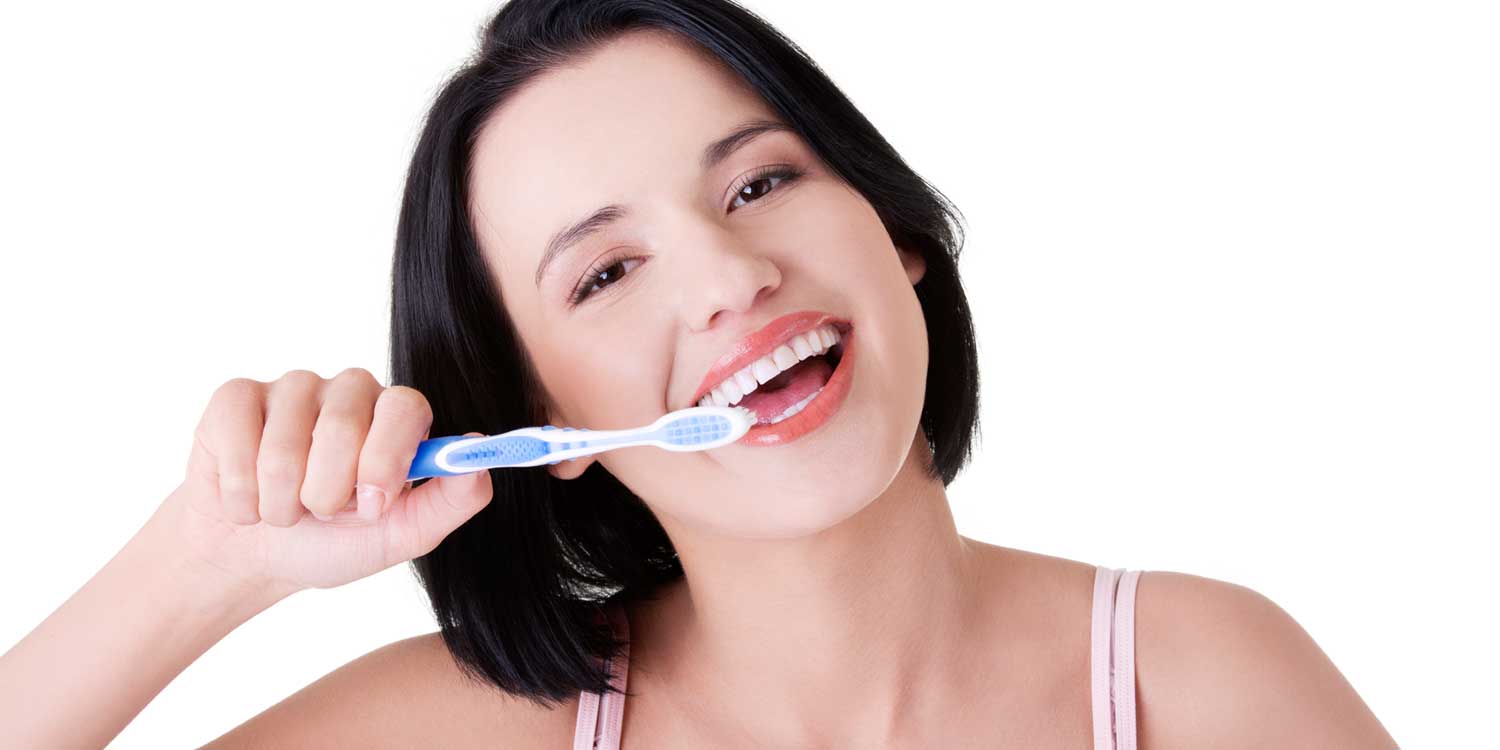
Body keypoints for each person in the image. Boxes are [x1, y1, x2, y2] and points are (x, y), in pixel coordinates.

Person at [0, 1, 1399, 747]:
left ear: (896, 232)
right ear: (541, 425)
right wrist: (205, 561)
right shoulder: (470, 736)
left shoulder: (1197, 683)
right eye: (606, 273)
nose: (729, 279)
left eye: (759, 184)